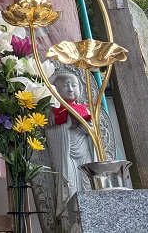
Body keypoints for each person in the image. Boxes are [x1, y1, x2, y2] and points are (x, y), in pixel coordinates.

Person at [45, 73, 95, 224]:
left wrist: (83, 126)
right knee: (69, 183)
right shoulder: (52, 113)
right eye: (65, 86)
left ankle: (90, 217)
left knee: (87, 182)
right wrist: (66, 125)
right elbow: (50, 134)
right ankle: (69, 221)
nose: (70, 89)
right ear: (55, 90)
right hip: (65, 156)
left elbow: (94, 134)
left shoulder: (85, 109)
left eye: (74, 85)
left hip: (84, 153)